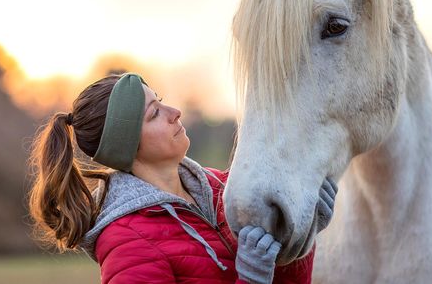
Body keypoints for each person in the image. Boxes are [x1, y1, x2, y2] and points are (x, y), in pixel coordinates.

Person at [28, 73, 337, 283]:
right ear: (127, 146)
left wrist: (302, 231)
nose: (174, 111)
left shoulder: (224, 189)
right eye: (153, 114)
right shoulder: (126, 245)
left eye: (161, 101)